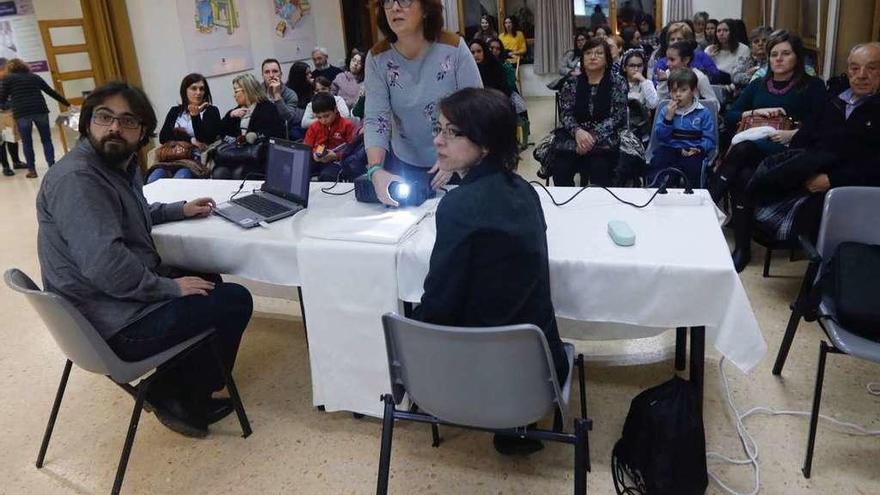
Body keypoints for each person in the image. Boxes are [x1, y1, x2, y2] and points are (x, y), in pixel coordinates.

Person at [36, 81, 253, 438]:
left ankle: (182, 384)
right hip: (111, 324)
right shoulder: (79, 179)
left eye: (128, 121)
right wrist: (167, 288)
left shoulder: (113, 166)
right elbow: (105, 266)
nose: (115, 128)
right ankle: (174, 394)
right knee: (234, 300)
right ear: (88, 121)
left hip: (104, 306)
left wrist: (178, 209)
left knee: (206, 278)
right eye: (105, 117)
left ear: (143, 134)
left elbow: (127, 214)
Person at [414, 87, 568, 455]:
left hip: (478, 371)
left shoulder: (458, 206)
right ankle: (514, 423)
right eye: (438, 129)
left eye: (452, 132)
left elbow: (440, 302)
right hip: (539, 368)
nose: (438, 140)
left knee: (412, 313)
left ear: (484, 145)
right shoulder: (526, 192)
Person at [712, 31, 826, 272]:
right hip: (754, 148)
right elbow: (731, 114)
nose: (779, 59)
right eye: (774, 54)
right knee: (743, 174)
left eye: (786, 54)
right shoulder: (758, 85)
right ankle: (742, 248)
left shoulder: (812, 86)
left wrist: (792, 134)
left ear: (798, 57)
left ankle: (710, 196)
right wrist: (755, 113)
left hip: (788, 151)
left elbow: (821, 124)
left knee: (743, 148)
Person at [753, 43, 880, 244]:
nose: (862, 75)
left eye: (872, 68)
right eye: (855, 68)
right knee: (751, 177)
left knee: (811, 218)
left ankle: (822, 266)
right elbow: (802, 139)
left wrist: (833, 179)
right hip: (812, 173)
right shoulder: (833, 100)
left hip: (854, 188)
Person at [363, 0, 482, 207]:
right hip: (406, 161)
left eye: (405, 0)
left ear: (426, 8)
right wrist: (375, 170)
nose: (395, 7)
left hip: (460, 160)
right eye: (388, 2)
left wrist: (454, 156)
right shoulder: (377, 58)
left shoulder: (453, 48)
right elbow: (376, 119)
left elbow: (477, 108)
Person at [555, 38, 627, 187]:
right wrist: (578, 132)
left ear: (607, 60)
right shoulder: (571, 83)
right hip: (575, 136)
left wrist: (593, 136)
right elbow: (566, 114)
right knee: (560, 167)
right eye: (588, 53)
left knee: (599, 167)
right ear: (582, 59)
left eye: (599, 53)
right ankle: (567, 207)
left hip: (605, 138)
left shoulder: (617, 82)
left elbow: (617, 116)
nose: (593, 57)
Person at [0, 58, 69, 178]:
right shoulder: (34, 77)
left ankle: (32, 170)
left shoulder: (8, 79)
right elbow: (50, 92)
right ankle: (52, 166)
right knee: (46, 140)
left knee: (27, 143)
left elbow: (2, 97)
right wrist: (67, 103)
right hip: (40, 110)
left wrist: (7, 104)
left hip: (22, 113)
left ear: (10, 68)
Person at [648, 68, 716, 187]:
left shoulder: (703, 113)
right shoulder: (666, 111)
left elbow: (710, 139)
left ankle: (693, 196)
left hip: (693, 151)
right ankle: (659, 193)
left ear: (693, 91)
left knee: (694, 168)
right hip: (671, 149)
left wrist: (699, 148)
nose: (678, 94)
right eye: (674, 91)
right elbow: (660, 137)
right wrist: (668, 118)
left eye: (683, 90)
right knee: (658, 162)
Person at [148, 73, 222, 183]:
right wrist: (190, 139)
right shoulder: (175, 111)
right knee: (154, 179)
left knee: (181, 177)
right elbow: (163, 137)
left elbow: (206, 138)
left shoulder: (211, 111)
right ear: (185, 91)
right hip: (171, 157)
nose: (198, 93)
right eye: (194, 88)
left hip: (194, 158)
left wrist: (195, 116)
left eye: (201, 89)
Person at [216, 73, 285, 179]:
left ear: (247, 90)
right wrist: (230, 115)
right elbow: (220, 132)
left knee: (239, 173)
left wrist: (254, 136)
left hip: (258, 158)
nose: (234, 95)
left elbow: (275, 135)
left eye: (236, 91)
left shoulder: (267, 108)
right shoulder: (235, 111)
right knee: (219, 173)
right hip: (236, 156)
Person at [303, 92, 358, 182]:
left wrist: (336, 156)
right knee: (300, 168)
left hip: (337, 162)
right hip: (318, 159)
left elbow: (353, 150)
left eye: (326, 116)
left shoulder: (347, 125)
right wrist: (314, 154)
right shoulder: (314, 126)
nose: (323, 120)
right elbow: (306, 147)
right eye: (319, 117)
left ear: (335, 109)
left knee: (327, 176)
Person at [653, 22, 721, 84]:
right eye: (672, 39)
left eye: (679, 39)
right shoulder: (663, 62)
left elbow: (716, 76)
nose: (675, 42)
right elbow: (656, 82)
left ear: (688, 41)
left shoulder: (701, 56)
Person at [261, 58, 305, 136]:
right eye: (267, 72)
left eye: (275, 71)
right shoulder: (257, 92)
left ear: (281, 74)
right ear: (262, 75)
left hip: (281, 134)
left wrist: (277, 95)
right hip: (261, 132)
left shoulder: (290, 94)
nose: (271, 75)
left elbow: (288, 119)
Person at [0, 57, 23, 176]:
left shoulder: (7, 81)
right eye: (6, 69)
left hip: (9, 114)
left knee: (12, 138)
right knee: (1, 142)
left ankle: (16, 161)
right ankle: (5, 166)